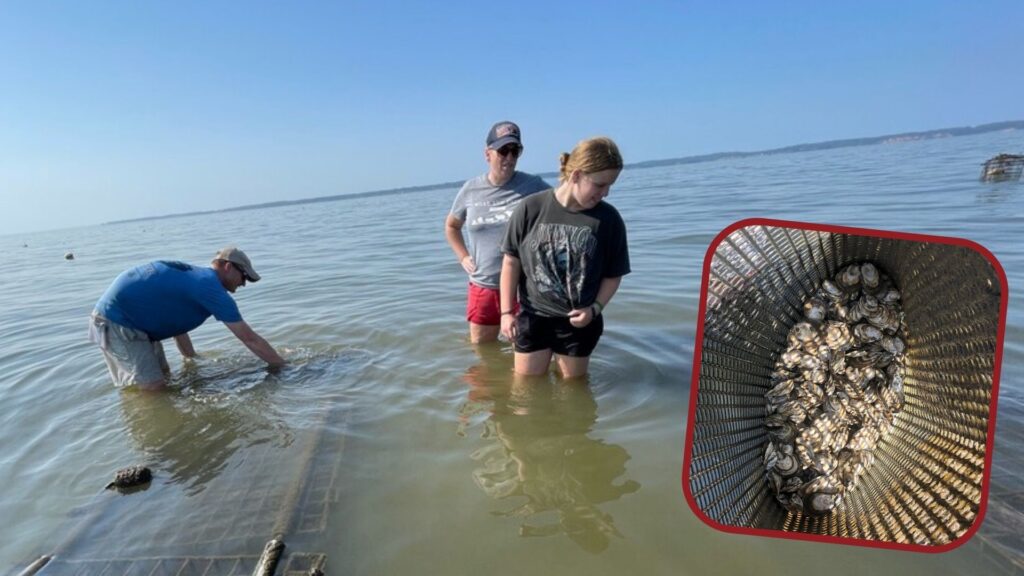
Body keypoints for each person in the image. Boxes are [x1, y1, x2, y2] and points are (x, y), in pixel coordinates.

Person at [499, 137, 629, 378]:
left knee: (573, 394)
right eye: (600, 185)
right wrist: (506, 313)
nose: (605, 193)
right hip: (533, 317)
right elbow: (511, 262)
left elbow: (614, 274)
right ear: (577, 175)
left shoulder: (608, 220)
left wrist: (595, 308)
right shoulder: (530, 208)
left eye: (610, 185)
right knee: (525, 391)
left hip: (579, 323)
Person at [89, 247, 286, 390]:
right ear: (227, 267)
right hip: (116, 321)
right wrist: (283, 367)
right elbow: (250, 339)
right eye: (243, 276)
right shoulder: (209, 287)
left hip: (135, 322)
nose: (244, 283)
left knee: (164, 376)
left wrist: (191, 358)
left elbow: (175, 321)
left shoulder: (196, 279)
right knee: (153, 386)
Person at [445, 121, 551, 343]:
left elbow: (563, 206)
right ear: (488, 154)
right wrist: (463, 256)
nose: (510, 157)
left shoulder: (533, 186)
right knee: (484, 353)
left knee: (526, 353)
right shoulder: (471, 189)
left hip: (524, 288)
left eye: (515, 151)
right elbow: (452, 226)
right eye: (503, 151)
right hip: (484, 284)